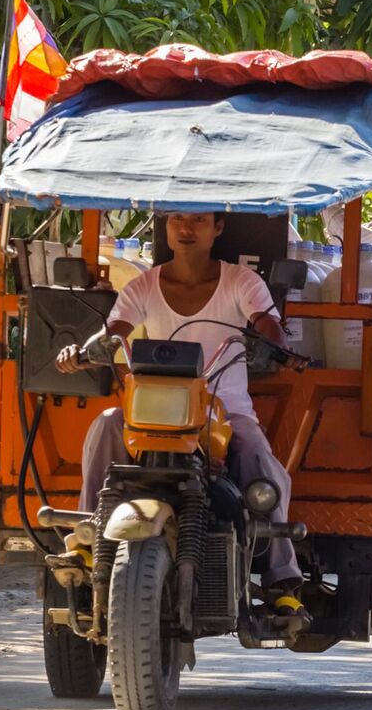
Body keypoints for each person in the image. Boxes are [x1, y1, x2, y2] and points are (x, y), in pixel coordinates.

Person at [57, 211, 303, 595]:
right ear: (166, 228)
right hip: (153, 413)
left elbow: (267, 322)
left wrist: (277, 346)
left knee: (255, 454)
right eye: (176, 219)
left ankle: (281, 577)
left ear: (218, 228)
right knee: (105, 423)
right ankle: (86, 537)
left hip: (223, 412)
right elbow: (112, 332)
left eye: (199, 219)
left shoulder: (241, 281)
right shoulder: (143, 286)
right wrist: (82, 352)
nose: (186, 228)